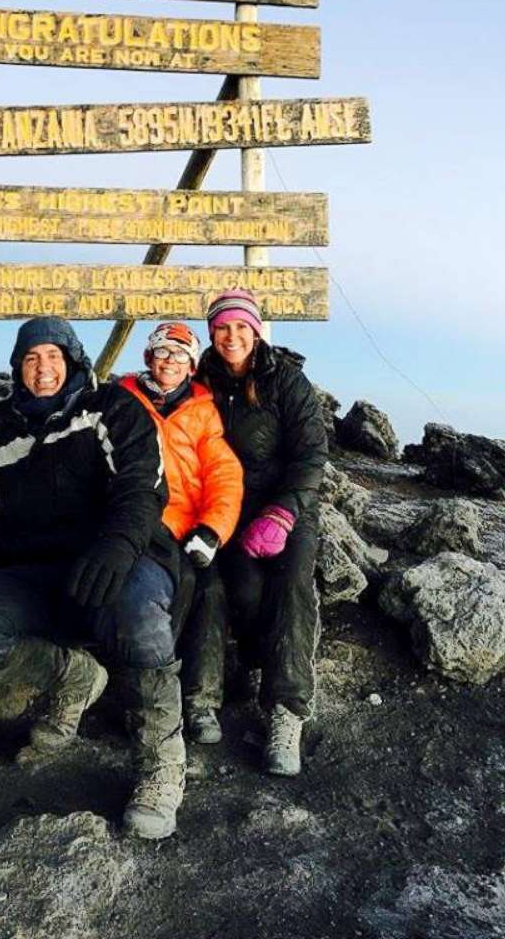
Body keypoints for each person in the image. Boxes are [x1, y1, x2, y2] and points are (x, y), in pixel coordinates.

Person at [0, 317, 186, 839]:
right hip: (41, 573)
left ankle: (161, 763)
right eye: (31, 358)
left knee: (140, 612)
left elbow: (143, 487)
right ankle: (74, 674)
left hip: (121, 561)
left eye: (53, 356)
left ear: (73, 359)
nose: (42, 367)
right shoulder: (4, 433)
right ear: (18, 368)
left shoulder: (114, 408)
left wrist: (118, 546)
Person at [195, 289, 328, 775]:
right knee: (243, 591)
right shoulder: (200, 379)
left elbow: (312, 455)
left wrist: (284, 513)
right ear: (212, 332)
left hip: (286, 508)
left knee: (292, 586)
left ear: (255, 331)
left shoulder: (287, 381)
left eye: (241, 328)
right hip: (227, 511)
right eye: (223, 328)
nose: (232, 337)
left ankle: (287, 710)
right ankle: (245, 666)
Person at [117, 321, 243, 745]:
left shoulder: (204, 412)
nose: (170, 361)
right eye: (163, 352)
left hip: (187, 528)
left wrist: (212, 530)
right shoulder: (120, 400)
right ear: (148, 357)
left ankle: (201, 700)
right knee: (147, 593)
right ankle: (147, 700)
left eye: (181, 355)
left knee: (208, 590)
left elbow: (223, 475)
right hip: (136, 522)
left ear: (192, 367)